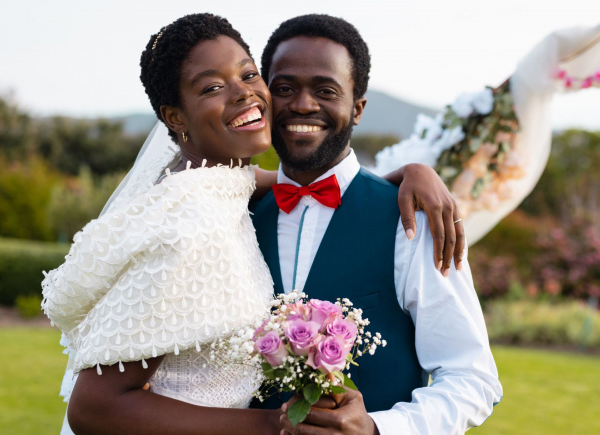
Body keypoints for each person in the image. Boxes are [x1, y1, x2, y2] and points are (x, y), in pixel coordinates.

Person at [41, 13, 463, 435]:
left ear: (357, 108)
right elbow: (94, 407)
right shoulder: (185, 224)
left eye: (247, 75)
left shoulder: (230, 190)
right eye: (212, 87)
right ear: (175, 117)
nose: (246, 95)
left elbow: (470, 378)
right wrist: (274, 426)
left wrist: (407, 173)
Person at [249, 14, 503, 435]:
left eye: (326, 90)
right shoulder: (240, 217)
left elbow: (472, 378)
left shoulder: (412, 220)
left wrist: (378, 429)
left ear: (357, 108)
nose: (303, 104)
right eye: (285, 88)